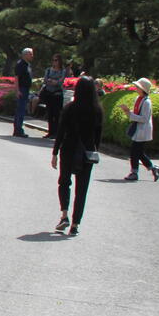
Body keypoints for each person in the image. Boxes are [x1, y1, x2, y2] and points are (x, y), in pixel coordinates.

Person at [51, 76, 103, 237]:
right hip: (87, 151)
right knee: (82, 189)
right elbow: (98, 136)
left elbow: (60, 132)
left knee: (64, 182)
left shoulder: (70, 108)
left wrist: (55, 152)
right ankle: (75, 223)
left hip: (69, 148)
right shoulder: (97, 110)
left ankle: (64, 214)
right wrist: (94, 150)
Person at [120, 77, 159, 181]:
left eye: (138, 87)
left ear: (143, 89)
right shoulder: (139, 99)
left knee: (135, 152)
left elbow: (144, 118)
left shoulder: (146, 102)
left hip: (142, 131)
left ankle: (134, 172)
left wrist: (129, 113)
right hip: (139, 130)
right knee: (139, 152)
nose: (136, 88)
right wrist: (128, 112)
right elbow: (137, 113)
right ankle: (153, 168)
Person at [40, 53, 69, 138]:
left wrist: (53, 81)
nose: (54, 62)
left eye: (56, 60)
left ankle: (56, 133)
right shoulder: (48, 70)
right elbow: (45, 80)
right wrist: (53, 81)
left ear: (59, 61)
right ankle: (50, 131)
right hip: (49, 93)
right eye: (53, 60)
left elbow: (60, 82)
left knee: (56, 114)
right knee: (50, 113)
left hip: (57, 94)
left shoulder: (62, 71)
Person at [13, 47, 34, 137]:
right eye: (31, 54)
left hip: (26, 89)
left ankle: (18, 128)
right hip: (22, 89)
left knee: (22, 109)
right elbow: (17, 78)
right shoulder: (20, 64)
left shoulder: (27, 64)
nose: (32, 56)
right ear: (25, 54)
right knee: (20, 110)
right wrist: (17, 90)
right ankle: (18, 130)